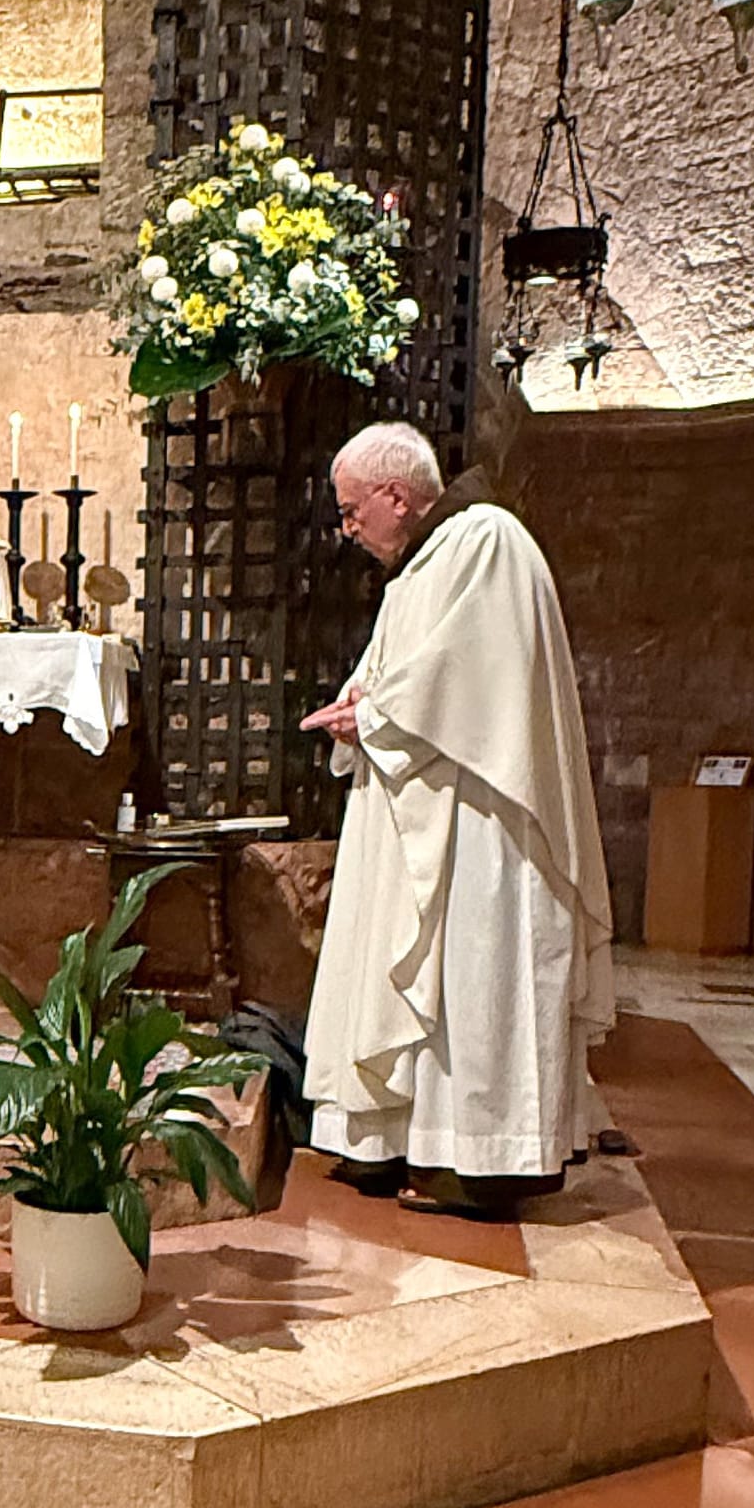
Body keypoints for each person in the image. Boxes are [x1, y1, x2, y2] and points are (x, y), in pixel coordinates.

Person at [298, 424, 613, 1215]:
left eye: (350, 510)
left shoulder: (487, 542)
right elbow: (397, 675)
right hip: (420, 805)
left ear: (396, 495)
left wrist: (374, 714)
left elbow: (471, 682)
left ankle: (474, 1161)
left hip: (483, 823)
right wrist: (356, 708)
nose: (348, 528)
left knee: (472, 975)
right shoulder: (418, 570)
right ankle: (387, 1139)